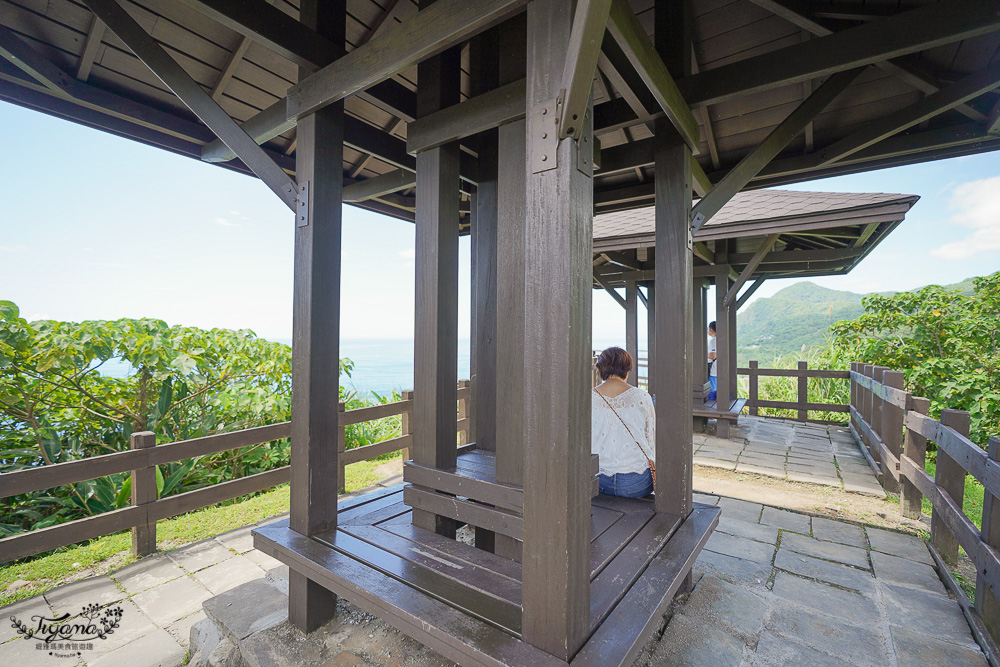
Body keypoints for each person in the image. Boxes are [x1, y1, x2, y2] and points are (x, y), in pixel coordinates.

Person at [592, 347, 655, 498]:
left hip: (598, 480)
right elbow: (651, 439)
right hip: (637, 482)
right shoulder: (642, 397)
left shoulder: (588, 397)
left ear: (599, 370)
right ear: (627, 370)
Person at [707, 321, 718, 401]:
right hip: (719, 370)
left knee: (712, 391)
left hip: (714, 370)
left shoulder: (713, 341)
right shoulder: (721, 340)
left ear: (711, 329)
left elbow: (713, 355)